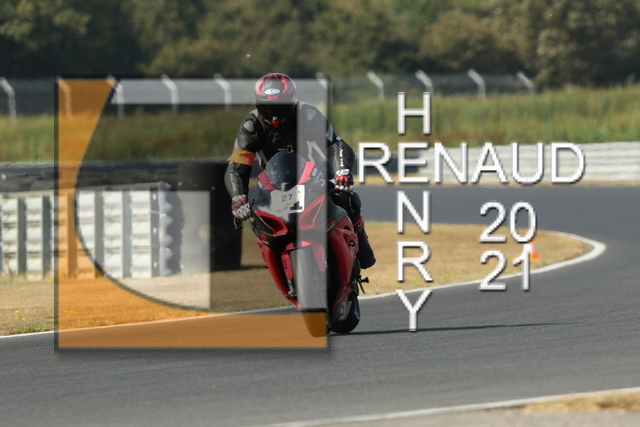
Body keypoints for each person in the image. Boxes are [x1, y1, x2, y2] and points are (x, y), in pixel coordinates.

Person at [224, 73, 375, 269]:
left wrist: (342, 172)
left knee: (345, 197)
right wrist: (238, 198)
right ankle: (273, 256)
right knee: (255, 216)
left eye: (280, 107)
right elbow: (236, 167)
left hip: (317, 177)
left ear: (293, 101)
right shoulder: (251, 126)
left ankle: (360, 242)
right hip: (275, 186)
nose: (275, 116)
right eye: (268, 107)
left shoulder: (308, 114)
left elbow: (336, 145)